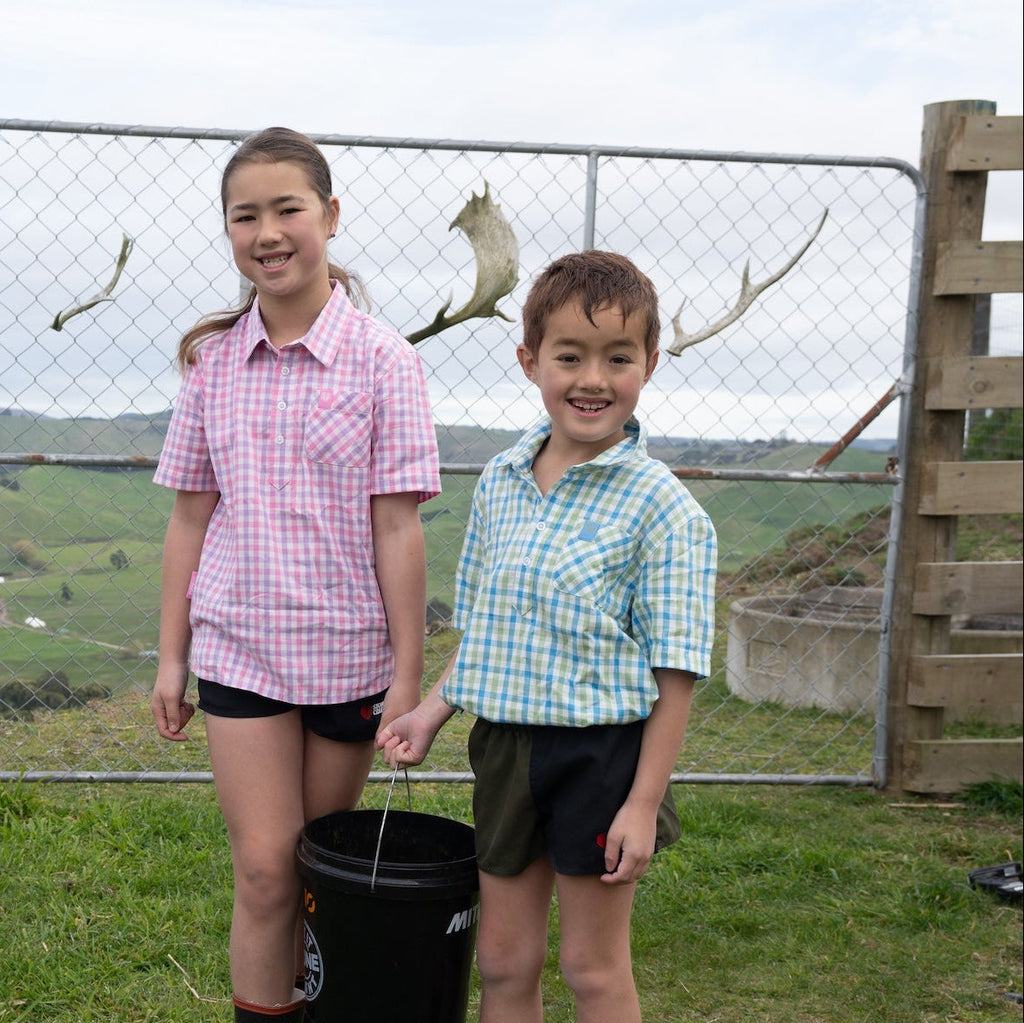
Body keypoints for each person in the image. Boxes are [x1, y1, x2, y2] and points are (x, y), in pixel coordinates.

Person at [379, 250, 717, 1023]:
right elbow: (489, 631)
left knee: (592, 969)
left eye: (617, 357)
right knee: (503, 961)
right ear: (532, 360)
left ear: (650, 363)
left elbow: (676, 674)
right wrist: (432, 711)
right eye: (570, 356)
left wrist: (643, 801)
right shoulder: (500, 480)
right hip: (505, 750)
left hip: (602, 759)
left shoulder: (664, 511)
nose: (592, 378)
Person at [150, 127, 440, 1023]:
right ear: (230, 232)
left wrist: (404, 678)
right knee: (267, 867)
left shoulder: (386, 360)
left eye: (288, 209)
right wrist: (172, 658)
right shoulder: (212, 366)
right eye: (246, 215)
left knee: (318, 861)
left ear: (331, 217)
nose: (267, 232)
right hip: (241, 653)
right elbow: (190, 515)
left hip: (348, 661)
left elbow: (398, 528)